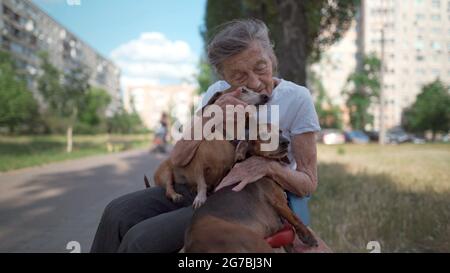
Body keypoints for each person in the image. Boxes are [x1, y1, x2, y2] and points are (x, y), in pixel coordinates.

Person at [90, 19, 329, 253]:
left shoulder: (297, 99)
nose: (255, 83)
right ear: (224, 77)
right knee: (117, 213)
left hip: (243, 200)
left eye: (260, 67)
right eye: (239, 76)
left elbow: (308, 183)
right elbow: (179, 158)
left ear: (272, 59)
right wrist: (209, 115)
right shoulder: (217, 94)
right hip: (201, 187)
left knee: (140, 240)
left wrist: (268, 168)